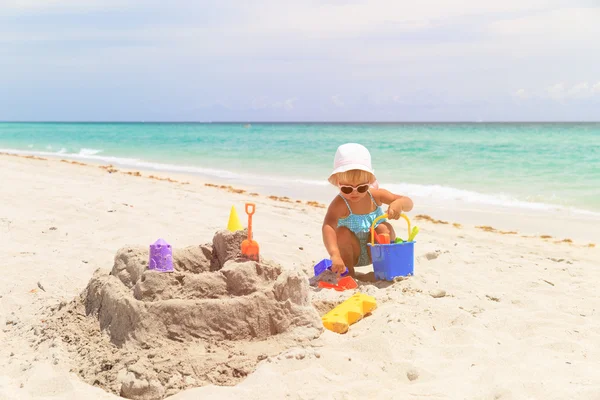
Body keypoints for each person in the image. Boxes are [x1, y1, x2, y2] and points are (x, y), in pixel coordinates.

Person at [322, 143, 413, 278]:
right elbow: (328, 226)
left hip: (377, 253)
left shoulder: (376, 196)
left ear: (369, 181)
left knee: (383, 227)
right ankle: (349, 274)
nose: (354, 193)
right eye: (347, 188)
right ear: (337, 183)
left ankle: (383, 271)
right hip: (351, 253)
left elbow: (409, 203)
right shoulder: (340, 204)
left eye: (361, 188)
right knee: (341, 232)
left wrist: (398, 204)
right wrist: (334, 254)